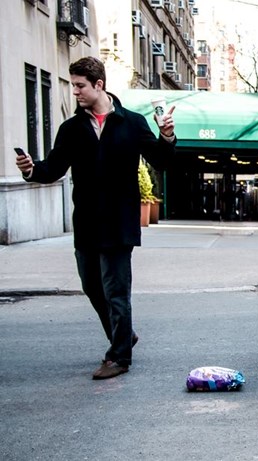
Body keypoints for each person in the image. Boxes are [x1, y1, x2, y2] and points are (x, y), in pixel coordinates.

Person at [15, 57, 177, 380]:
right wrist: (32, 170)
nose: (74, 91)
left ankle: (119, 356)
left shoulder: (131, 123)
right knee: (92, 286)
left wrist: (167, 137)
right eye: (73, 85)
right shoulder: (71, 129)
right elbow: (54, 167)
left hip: (119, 224)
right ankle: (124, 334)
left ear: (98, 84)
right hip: (86, 224)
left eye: (80, 85)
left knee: (117, 291)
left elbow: (161, 160)